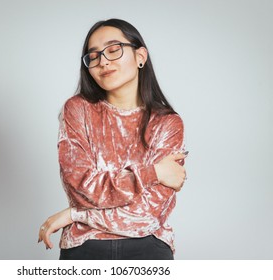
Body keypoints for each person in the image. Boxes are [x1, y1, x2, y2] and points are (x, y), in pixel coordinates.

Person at [38, 18, 187, 260]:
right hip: (84, 249)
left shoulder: (168, 123)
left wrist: (76, 215)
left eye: (114, 49)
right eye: (93, 56)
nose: (103, 61)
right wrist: (154, 173)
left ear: (140, 56)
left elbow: (147, 215)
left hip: (148, 248)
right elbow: (81, 189)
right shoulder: (78, 110)